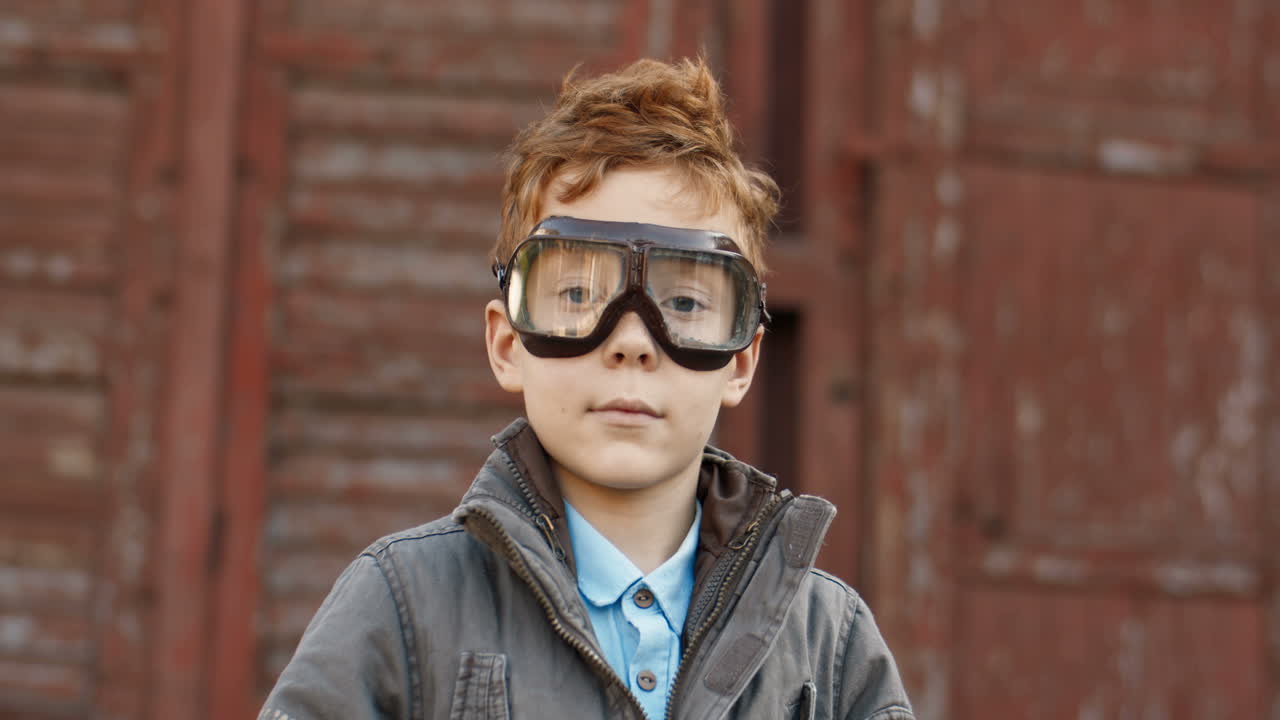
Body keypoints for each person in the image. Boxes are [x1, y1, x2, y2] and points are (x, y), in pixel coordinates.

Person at [260, 57, 913, 720]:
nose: (631, 340)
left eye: (684, 303)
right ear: (508, 344)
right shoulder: (401, 607)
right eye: (577, 293)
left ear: (740, 360)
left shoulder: (829, 650)